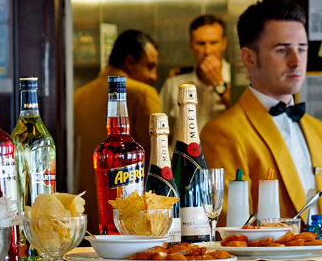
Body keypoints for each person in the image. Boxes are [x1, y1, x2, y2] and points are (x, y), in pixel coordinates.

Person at [202, 0, 322, 229]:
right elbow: (231, 234)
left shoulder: (320, 131)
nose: (296, 61)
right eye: (282, 50)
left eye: (302, 48)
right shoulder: (223, 133)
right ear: (249, 58)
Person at [72, 29, 160, 231]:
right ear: (129, 61)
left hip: (85, 221)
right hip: (129, 225)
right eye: (150, 66)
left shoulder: (78, 96)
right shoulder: (144, 94)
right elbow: (158, 164)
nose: (153, 76)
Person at [160, 14, 232, 129]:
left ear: (224, 44)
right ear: (191, 45)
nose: (207, 51)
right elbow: (161, 129)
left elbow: (248, 116)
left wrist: (219, 84)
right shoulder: (174, 84)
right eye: (201, 44)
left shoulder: (238, 82)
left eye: (213, 43)